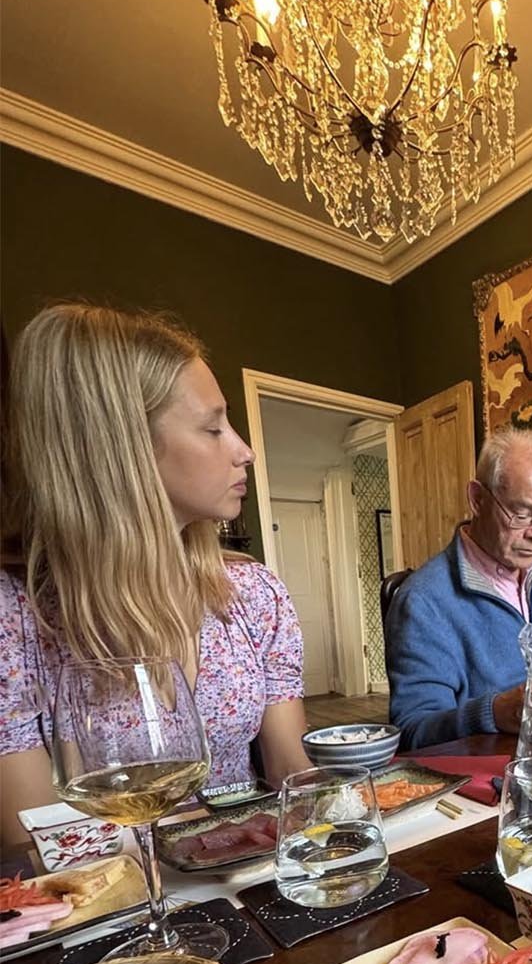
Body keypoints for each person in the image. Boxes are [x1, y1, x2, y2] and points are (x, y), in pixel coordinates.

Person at [0, 303, 309, 848]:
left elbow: (290, 771)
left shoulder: (254, 594)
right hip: (112, 912)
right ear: (124, 451)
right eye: (213, 428)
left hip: (249, 880)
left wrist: (336, 828)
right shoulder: (16, 620)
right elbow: (34, 842)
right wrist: (192, 845)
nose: (245, 451)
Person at [386, 427, 532, 750]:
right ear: (477, 499)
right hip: (486, 788)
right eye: (521, 515)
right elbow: (411, 734)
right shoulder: (423, 602)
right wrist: (491, 712)